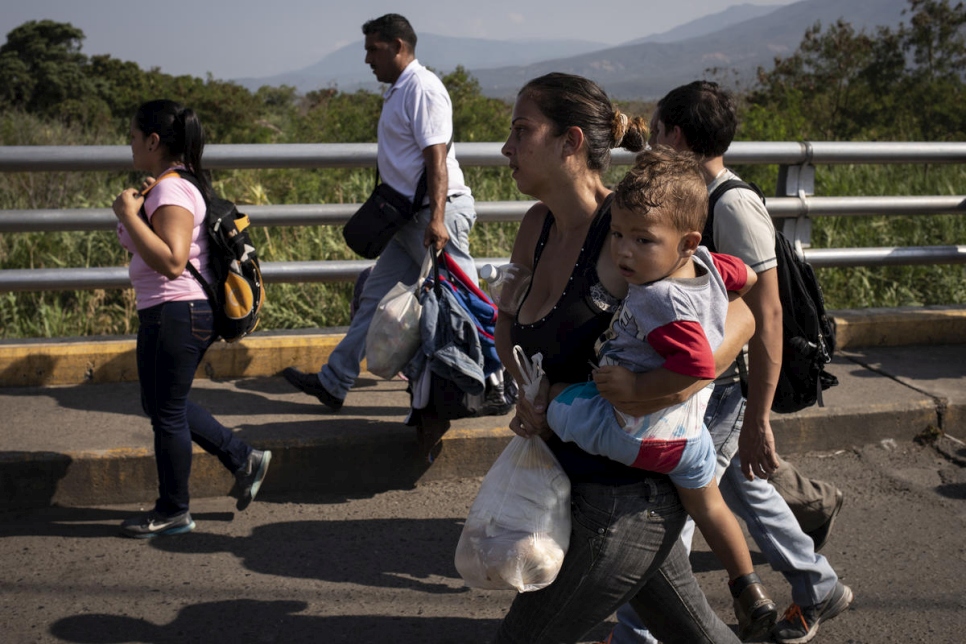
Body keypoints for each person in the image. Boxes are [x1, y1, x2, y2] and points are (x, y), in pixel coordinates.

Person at [493, 71, 756, 644]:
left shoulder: (632, 230)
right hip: (570, 479)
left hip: (624, 500)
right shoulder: (535, 227)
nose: (507, 148)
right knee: (699, 636)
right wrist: (529, 397)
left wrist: (671, 386)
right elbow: (517, 339)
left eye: (521, 130)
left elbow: (740, 315)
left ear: (571, 143)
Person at [608, 81, 852, 644]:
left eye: (658, 128)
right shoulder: (690, 190)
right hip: (702, 382)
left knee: (675, 510)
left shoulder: (731, 204)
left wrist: (758, 417)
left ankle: (636, 634)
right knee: (741, 488)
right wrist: (628, 135)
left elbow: (766, 316)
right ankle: (819, 587)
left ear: (677, 135)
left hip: (721, 385)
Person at [545, 148, 777, 641]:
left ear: (687, 241)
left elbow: (695, 363)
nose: (624, 252)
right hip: (690, 437)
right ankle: (748, 586)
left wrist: (637, 388)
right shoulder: (711, 264)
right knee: (711, 506)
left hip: (639, 432)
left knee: (558, 405)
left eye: (643, 240)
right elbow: (750, 276)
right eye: (618, 235)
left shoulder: (658, 298)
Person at [281, 13, 478, 412]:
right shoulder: (399, 89)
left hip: (432, 216)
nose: (368, 59)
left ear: (399, 47)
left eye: (374, 49)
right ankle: (334, 382)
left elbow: (435, 159)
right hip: (410, 219)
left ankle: (491, 382)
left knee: (462, 301)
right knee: (373, 297)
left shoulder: (422, 88)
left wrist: (438, 219)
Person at [112, 99, 271, 538]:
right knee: (164, 404)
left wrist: (127, 213)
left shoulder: (172, 190)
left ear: (153, 140)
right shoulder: (171, 186)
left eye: (132, 137)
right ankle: (242, 458)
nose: (129, 144)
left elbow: (173, 260)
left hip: (174, 311)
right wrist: (139, 210)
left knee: (165, 412)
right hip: (172, 311)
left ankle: (174, 509)